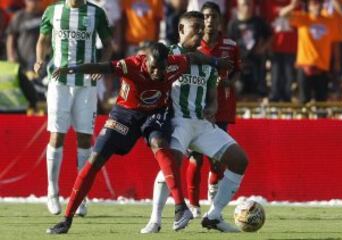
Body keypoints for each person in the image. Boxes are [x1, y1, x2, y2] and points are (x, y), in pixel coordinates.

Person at [45, 42, 233, 234]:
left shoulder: (176, 64)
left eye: (162, 68)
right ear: (145, 61)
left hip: (155, 113)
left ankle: (180, 207)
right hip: (125, 115)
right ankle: (66, 219)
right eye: (153, 67)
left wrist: (216, 62)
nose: (157, 73)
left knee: (159, 144)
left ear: (168, 63)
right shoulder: (131, 64)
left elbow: (194, 57)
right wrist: (72, 69)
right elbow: (103, 67)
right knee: (94, 161)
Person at [141, 11, 248, 234]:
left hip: (201, 124)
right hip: (177, 121)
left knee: (239, 160)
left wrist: (212, 107)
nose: (201, 31)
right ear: (181, 30)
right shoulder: (167, 54)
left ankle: (214, 216)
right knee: (171, 164)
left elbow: (211, 96)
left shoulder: (207, 61)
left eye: (202, 27)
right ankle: (155, 219)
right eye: (195, 27)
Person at [34, 0, 113, 216]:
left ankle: (81, 195)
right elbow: (42, 39)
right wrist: (40, 59)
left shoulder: (96, 13)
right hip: (59, 82)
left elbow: (108, 45)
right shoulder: (53, 11)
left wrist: (102, 66)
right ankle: (52, 191)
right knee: (57, 136)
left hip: (86, 84)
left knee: (85, 138)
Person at [185, 1, 242, 218]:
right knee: (195, 157)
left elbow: (237, 70)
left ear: (219, 20)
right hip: (197, 107)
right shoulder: (193, 47)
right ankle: (193, 204)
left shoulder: (231, 45)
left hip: (223, 107)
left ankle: (213, 186)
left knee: (219, 158)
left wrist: (230, 82)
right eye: (206, 16)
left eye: (213, 17)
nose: (209, 21)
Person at [280, 0, 341, 103]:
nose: (317, 6)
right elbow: (283, 14)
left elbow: (335, 43)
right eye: (314, 4)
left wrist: (337, 62)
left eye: (319, 3)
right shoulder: (303, 18)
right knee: (304, 100)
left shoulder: (330, 21)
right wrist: (293, 5)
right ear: (309, 6)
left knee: (321, 102)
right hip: (305, 67)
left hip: (322, 67)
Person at [227, 0, 272, 100]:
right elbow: (229, 43)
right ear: (238, 6)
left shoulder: (259, 22)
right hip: (240, 62)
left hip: (257, 62)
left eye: (249, 4)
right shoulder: (233, 24)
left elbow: (269, 36)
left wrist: (262, 48)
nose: (247, 7)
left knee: (258, 92)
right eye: (244, 4)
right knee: (239, 90)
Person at [6, 0, 44, 112]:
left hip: (40, 63)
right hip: (22, 63)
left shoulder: (45, 15)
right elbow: (10, 37)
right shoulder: (19, 16)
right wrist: (10, 56)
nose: (35, 3)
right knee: (24, 92)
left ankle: (39, 114)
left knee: (40, 92)